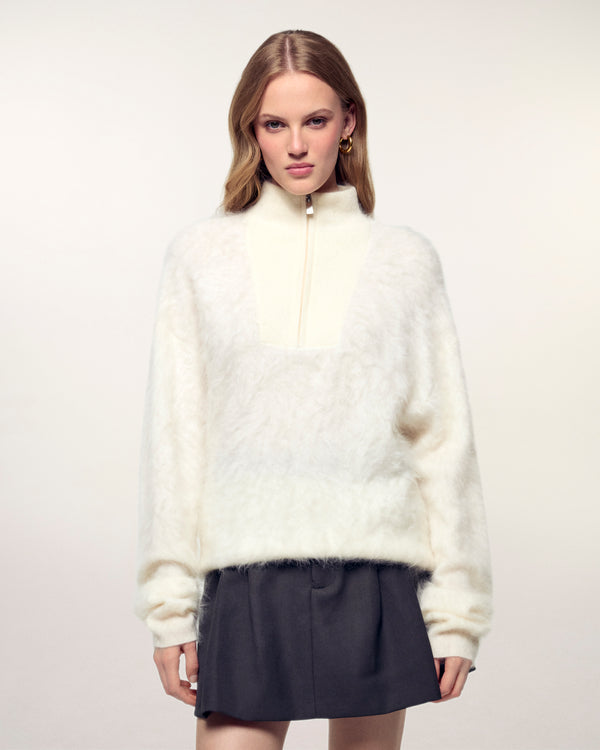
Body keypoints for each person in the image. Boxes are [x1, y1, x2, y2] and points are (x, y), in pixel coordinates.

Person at [135, 29, 492, 750]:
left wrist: (457, 613)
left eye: (316, 120)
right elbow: (177, 438)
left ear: (348, 122)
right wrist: (169, 609)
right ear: (251, 131)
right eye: (275, 124)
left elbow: (443, 444)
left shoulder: (404, 261)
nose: (296, 144)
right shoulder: (201, 257)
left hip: (375, 573)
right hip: (245, 576)